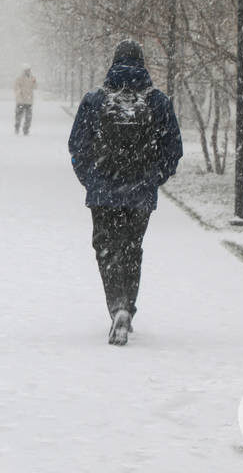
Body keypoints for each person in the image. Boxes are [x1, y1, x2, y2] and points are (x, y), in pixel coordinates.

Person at [68, 39, 181, 346]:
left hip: (103, 193)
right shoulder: (158, 101)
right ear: (142, 63)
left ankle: (117, 305)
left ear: (113, 62)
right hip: (140, 194)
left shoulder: (95, 99)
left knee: (106, 249)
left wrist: (91, 180)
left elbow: (77, 146)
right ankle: (127, 307)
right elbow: (173, 149)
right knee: (132, 249)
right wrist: (153, 178)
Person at [14, 64, 37, 135]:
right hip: (21, 101)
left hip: (29, 101)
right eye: (27, 70)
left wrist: (35, 82)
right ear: (24, 71)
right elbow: (16, 88)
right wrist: (19, 94)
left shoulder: (32, 78)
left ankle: (26, 129)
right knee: (18, 116)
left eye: (29, 70)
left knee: (28, 117)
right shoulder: (19, 78)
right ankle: (17, 128)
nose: (28, 71)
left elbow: (35, 87)